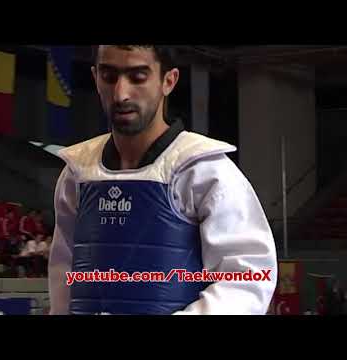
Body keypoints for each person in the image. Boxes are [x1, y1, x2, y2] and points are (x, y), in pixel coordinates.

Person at [48, 45, 278, 315]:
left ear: (168, 81)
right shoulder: (77, 173)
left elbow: (246, 277)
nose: (121, 93)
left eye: (138, 77)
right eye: (109, 76)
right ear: (95, 77)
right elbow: (63, 275)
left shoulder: (203, 171)